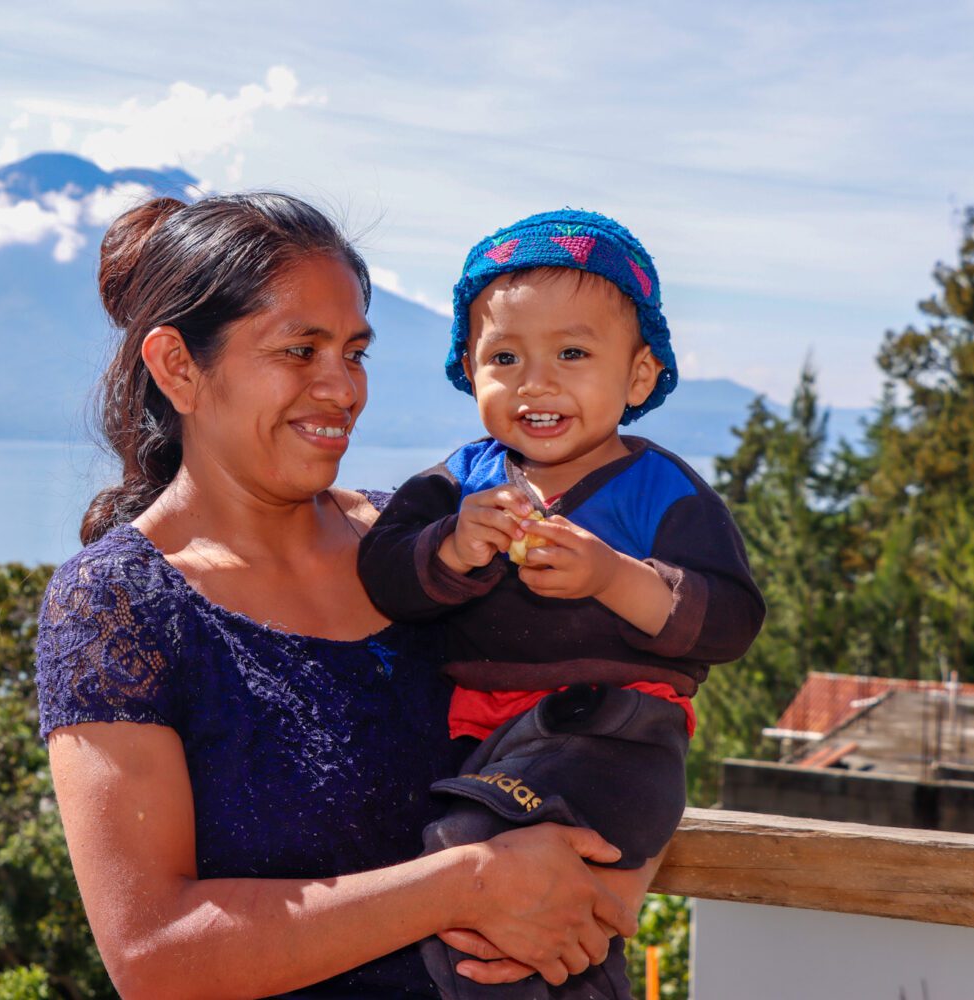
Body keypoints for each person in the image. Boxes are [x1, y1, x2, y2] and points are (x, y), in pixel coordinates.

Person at [36, 194, 660, 999]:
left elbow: (634, 689)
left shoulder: (428, 544)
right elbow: (153, 955)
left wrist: (605, 891)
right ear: (178, 367)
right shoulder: (119, 604)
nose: (343, 388)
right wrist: (467, 884)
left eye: (354, 352)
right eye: (300, 350)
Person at [357, 209, 766, 998]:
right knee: (470, 894)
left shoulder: (659, 490)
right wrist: (451, 548)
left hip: (612, 735)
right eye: (504, 357)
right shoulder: (462, 482)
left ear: (638, 376)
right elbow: (384, 573)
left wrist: (614, 578)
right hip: (482, 738)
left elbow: (729, 620)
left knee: (474, 858)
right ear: (469, 369)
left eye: (572, 353)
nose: (535, 382)